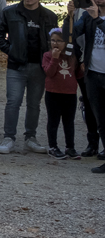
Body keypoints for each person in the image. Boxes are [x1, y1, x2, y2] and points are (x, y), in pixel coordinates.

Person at [0, 0, 58, 155]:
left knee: (34, 104)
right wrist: (11, 50)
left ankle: (30, 138)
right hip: (16, 65)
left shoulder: (49, 16)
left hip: (39, 66)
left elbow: (55, 40)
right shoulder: (10, 12)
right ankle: (9, 138)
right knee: (13, 102)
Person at [71, 0, 105, 173]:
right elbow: (74, 35)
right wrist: (70, 16)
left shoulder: (95, 17)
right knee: (101, 119)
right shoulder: (89, 15)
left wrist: (97, 19)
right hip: (93, 74)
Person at [43, 30, 81, 159]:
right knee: (53, 121)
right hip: (53, 93)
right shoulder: (47, 55)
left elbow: (76, 73)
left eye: (59, 41)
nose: (56, 43)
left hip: (70, 93)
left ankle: (70, 147)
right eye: (53, 40)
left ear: (65, 43)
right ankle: (53, 146)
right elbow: (49, 73)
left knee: (69, 121)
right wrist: (54, 58)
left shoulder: (71, 56)